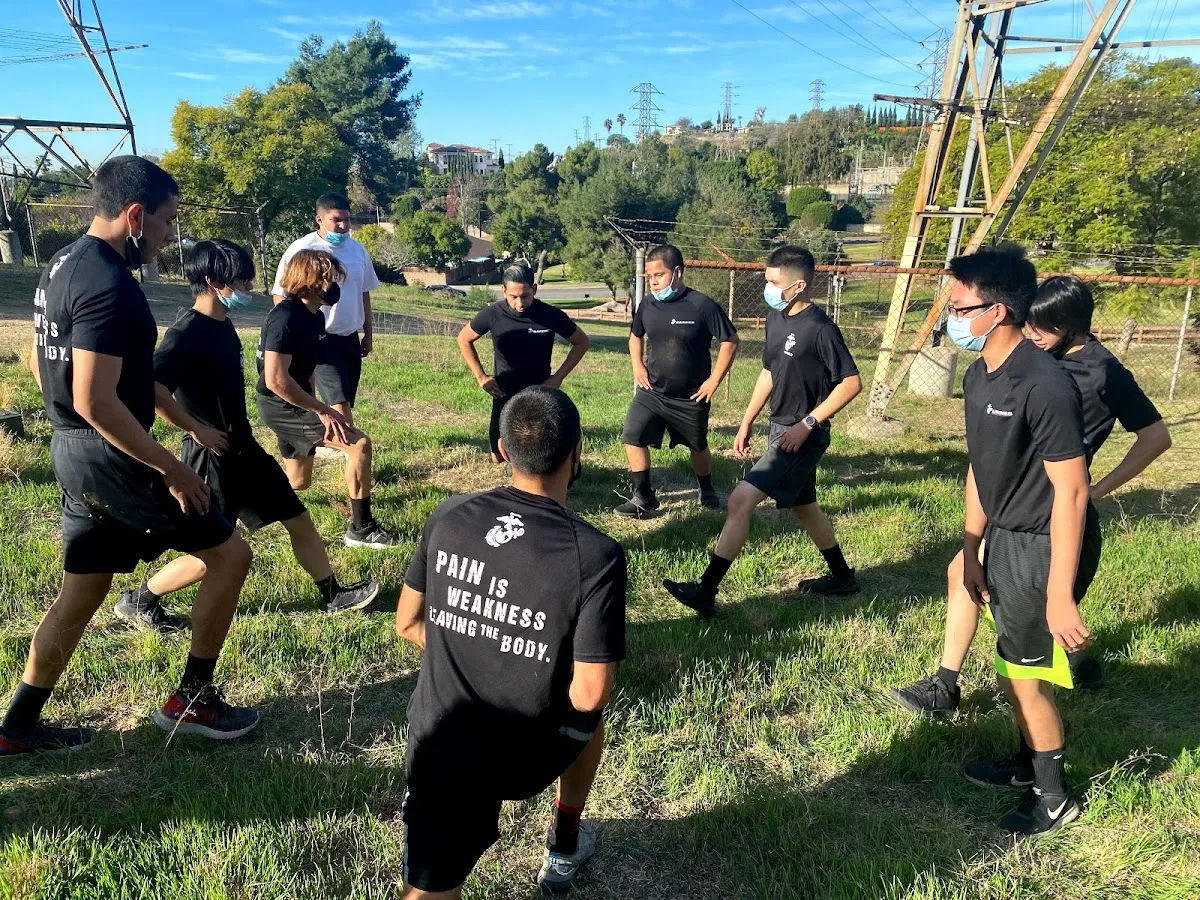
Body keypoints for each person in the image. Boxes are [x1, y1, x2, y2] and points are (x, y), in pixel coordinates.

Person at [1, 156, 260, 757]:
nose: (170, 236)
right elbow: (95, 400)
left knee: (82, 592)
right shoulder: (109, 283)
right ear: (136, 215)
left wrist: (74, 428)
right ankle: (192, 701)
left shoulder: (60, 264)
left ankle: (16, 727)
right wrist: (172, 467)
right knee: (230, 556)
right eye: (167, 222)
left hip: (73, 451)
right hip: (112, 456)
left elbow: (42, 362)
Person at [890, 274, 1170, 713]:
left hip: (1048, 514)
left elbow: (1156, 438)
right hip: (1011, 504)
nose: (1033, 334)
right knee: (971, 576)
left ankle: (960, 690)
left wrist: (1097, 490)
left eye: (1045, 326)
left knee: (1008, 600)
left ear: (1074, 326)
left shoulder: (1103, 371)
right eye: (1030, 323)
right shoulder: (1033, 362)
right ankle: (1063, 661)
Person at [395, 386, 626, 897]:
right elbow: (589, 695)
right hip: (527, 753)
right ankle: (564, 842)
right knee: (588, 723)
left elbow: (408, 621)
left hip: (442, 740)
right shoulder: (597, 556)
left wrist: (478, 644)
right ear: (578, 452)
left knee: (432, 887)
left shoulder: (448, 515)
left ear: (501, 451)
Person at [917, 246, 1098, 836]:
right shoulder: (978, 375)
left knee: (1024, 677)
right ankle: (1026, 764)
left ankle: (1055, 798)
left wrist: (1059, 595)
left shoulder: (1045, 384)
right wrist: (971, 547)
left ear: (995, 312)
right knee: (1010, 671)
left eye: (958, 307)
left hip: (1045, 544)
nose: (950, 316)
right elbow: (980, 467)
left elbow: (1072, 493)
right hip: (1003, 536)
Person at [112, 239, 381, 633]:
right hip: (212, 456)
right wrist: (196, 429)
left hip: (244, 448)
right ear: (212, 281)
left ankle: (332, 595)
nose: (249, 288)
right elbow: (153, 389)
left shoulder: (223, 325)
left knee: (298, 519)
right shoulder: (187, 332)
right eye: (241, 280)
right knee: (213, 553)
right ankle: (140, 599)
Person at [663, 246, 862, 616]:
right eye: (766, 279)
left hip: (802, 435)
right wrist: (747, 421)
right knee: (805, 507)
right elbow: (769, 372)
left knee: (740, 500)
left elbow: (851, 383)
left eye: (774, 282)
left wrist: (807, 424)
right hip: (779, 427)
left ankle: (706, 590)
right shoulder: (776, 318)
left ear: (799, 285)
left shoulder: (820, 329)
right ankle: (842, 576)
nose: (767, 288)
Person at [257, 249, 397, 548]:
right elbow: (275, 380)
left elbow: (306, 369)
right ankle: (361, 530)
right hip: (280, 406)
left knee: (299, 482)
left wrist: (312, 399)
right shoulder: (284, 318)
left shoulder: (315, 317)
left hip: (297, 402)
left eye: (334, 278)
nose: (333, 285)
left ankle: (249, 496)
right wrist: (320, 409)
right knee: (358, 444)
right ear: (307, 280)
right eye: (327, 278)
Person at [616, 244, 738, 516]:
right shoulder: (647, 304)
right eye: (649, 276)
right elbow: (635, 336)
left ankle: (706, 488)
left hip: (691, 396)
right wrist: (637, 365)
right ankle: (644, 496)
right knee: (632, 435)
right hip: (652, 392)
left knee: (697, 446)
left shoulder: (702, 305)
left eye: (659, 275)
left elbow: (730, 341)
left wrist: (714, 381)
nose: (653, 282)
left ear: (678, 272)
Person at [456, 263, 591, 464]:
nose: (520, 303)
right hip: (504, 394)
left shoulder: (550, 315)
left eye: (526, 296)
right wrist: (481, 377)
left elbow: (582, 342)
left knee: (536, 456)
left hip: (539, 395)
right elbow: (463, 339)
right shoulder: (493, 314)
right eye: (513, 297)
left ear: (534, 289)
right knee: (498, 457)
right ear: (504, 291)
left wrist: (557, 378)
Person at [271, 192, 380, 427]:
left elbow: (364, 293)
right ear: (319, 219)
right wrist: (298, 335)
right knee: (339, 403)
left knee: (344, 398)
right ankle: (351, 443)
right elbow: (281, 294)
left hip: (349, 337)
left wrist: (368, 334)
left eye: (347, 220)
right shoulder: (302, 249)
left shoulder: (357, 250)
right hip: (320, 338)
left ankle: (323, 435)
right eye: (336, 220)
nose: (343, 226)